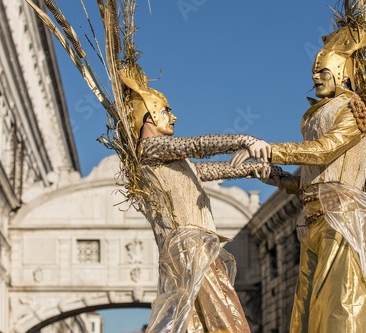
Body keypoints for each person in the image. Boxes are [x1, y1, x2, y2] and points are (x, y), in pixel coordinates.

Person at [232, 18, 366, 333]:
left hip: (343, 221)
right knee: (310, 316)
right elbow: (312, 180)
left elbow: (325, 150)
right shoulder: (320, 111)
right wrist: (274, 176)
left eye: (323, 72)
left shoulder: (354, 108)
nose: (315, 77)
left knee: (340, 308)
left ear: (343, 73)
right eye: (313, 72)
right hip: (314, 223)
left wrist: (270, 149)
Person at [118, 66, 283, 333]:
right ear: (148, 118)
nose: (174, 117)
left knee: (201, 323)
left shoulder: (170, 162)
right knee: (226, 323)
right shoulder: (150, 149)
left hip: (196, 250)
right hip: (190, 250)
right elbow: (197, 145)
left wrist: (256, 169)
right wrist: (244, 139)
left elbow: (212, 170)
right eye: (167, 111)